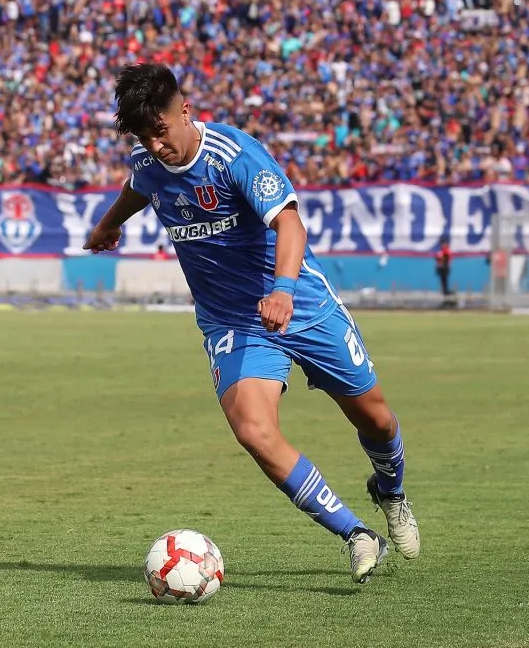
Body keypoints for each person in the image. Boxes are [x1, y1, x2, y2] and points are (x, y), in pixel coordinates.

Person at [84, 64, 420, 583]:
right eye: (143, 136)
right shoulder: (149, 163)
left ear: (185, 111)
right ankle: (357, 534)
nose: (155, 144)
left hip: (300, 303)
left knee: (374, 418)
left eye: (161, 130)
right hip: (231, 321)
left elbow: (289, 221)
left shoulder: (235, 154)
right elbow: (138, 186)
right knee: (255, 431)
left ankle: (391, 491)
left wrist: (282, 291)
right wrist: (108, 224)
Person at [435, 237, 452, 303]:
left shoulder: (446, 250)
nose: (442, 245)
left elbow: (445, 259)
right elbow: (437, 258)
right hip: (442, 268)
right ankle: (445, 295)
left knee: (445, 282)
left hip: (445, 268)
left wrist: (440, 257)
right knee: (443, 282)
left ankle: (446, 296)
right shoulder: (442, 251)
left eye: (443, 243)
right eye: (441, 244)